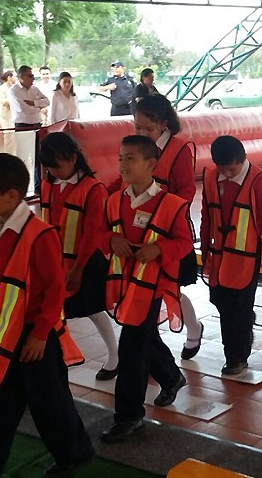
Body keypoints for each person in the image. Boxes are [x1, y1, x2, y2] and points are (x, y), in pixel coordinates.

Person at [0, 153, 94, 478]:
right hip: (3, 337)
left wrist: (39, 334)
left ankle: (74, 453)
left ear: (12, 196)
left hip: (36, 338)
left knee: (50, 406)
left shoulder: (40, 234)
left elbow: (54, 289)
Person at [98, 135, 191, 444]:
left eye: (131, 159)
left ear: (151, 164)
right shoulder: (114, 200)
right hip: (124, 285)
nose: (123, 164)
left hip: (153, 287)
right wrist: (112, 241)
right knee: (144, 337)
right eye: (121, 158)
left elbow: (184, 243)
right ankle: (171, 376)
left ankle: (129, 416)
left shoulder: (172, 205)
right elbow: (100, 234)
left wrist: (158, 250)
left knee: (132, 348)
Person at [38, 132, 118, 380]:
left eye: (57, 166)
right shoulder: (48, 184)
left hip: (83, 262)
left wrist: (78, 269)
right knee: (52, 312)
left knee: (93, 310)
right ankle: (55, 359)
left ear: (73, 158)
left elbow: (92, 233)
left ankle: (114, 357)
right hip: (53, 260)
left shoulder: (93, 189)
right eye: (48, 168)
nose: (53, 172)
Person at [132, 95, 204, 361]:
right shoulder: (137, 147)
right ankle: (152, 349)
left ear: (163, 124)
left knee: (170, 286)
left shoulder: (179, 150)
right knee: (145, 287)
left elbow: (186, 191)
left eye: (147, 129)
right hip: (140, 229)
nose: (141, 133)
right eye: (137, 127)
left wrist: (165, 214)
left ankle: (193, 329)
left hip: (169, 230)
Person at [200, 136, 262, 374]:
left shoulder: (259, 180)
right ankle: (240, 334)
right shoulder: (212, 177)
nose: (227, 173)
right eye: (222, 169)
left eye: (232, 169)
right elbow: (206, 215)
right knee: (221, 303)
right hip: (218, 257)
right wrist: (204, 248)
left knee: (239, 309)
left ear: (243, 160)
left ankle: (236, 356)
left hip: (246, 258)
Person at [8, 65, 49, 194]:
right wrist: (37, 106)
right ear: (21, 77)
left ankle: (38, 188)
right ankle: (22, 189)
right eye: (30, 76)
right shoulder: (14, 91)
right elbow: (23, 109)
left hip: (37, 125)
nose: (33, 78)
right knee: (23, 158)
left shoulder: (35, 89)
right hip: (23, 126)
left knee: (39, 157)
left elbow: (47, 101)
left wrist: (34, 103)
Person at [0, 70, 16, 155]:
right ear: (9, 78)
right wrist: (14, 100)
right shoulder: (2, 89)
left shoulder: (14, 88)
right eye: (15, 76)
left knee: (15, 138)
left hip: (14, 116)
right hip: (6, 117)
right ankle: (9, 155)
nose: (16, 79)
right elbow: (3, 102)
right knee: (9, 136)